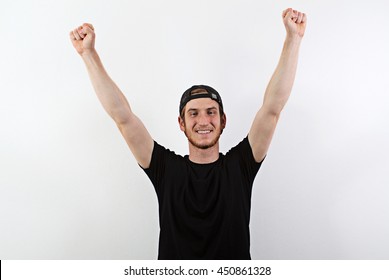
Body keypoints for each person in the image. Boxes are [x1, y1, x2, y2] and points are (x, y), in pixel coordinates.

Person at [69, 7, 307, 260]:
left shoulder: (241, 166)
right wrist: (88, 54)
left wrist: (293, 39)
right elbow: (123, 117)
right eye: (193, 113)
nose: (203, 120)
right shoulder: (165, 169)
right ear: (181, 123)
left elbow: (272, 107)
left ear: (223, 120)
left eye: (210, 112)